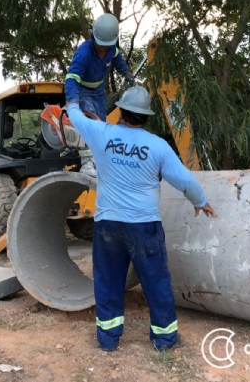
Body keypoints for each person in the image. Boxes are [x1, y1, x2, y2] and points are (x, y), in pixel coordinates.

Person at [65, 85, 218, 352]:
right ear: (146, 116)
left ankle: (108, 339)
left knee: (108, 280)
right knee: (155, 280)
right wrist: (200, 201)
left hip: (108, 225)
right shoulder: (157, 146)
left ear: (121, 111)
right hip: (144, 226)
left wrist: (73, 98)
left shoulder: (101, 133)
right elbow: (183, 179)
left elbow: (74, 115)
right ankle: (164, 339)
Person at [65, 13, 136, 177]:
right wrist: (72, 102)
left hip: (98, 92)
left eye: (107, 45)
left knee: (101, 125)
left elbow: (118, 59)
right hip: (82, 90)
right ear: (93, 36)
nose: (104, 48)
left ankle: (99, 160)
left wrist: (126, 72)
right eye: (100, 44)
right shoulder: (84, 53)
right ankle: (87, 164)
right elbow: (71, 78)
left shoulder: (112, 49)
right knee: (91, 123)